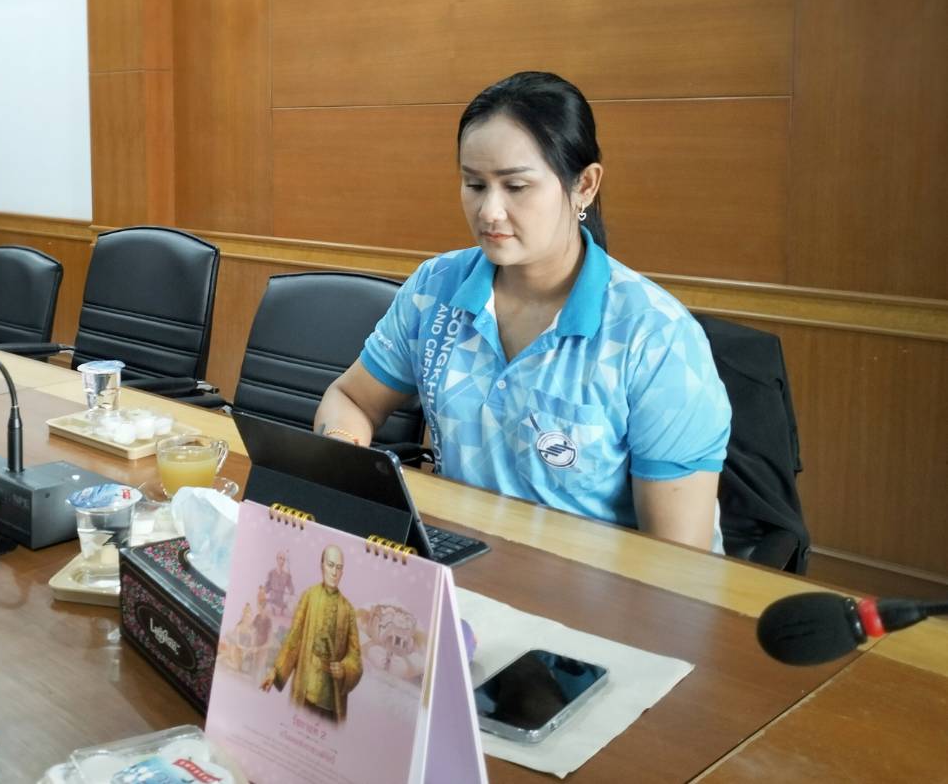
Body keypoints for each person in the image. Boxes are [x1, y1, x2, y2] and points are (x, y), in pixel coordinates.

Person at [313, 71, 730, 552]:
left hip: (590, 588)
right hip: (456, 565)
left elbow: (677, 562)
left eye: (516, 186)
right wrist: (343, 454)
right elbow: (352, 398)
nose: (489, 211)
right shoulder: (437, 287)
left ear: (584, 185)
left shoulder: (654, 336)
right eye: (474, 184)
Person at [261, 544, 362, 721]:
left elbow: (355, 657)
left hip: (332, 701)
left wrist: (345, 669)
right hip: (305, 689)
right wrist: (275, 672)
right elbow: (294, 638)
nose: (334, 572)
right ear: (322, 565)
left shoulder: (348, 610)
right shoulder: (309, 596)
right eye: (330, 565)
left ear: (342, 572)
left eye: (339, 568)